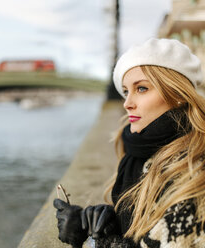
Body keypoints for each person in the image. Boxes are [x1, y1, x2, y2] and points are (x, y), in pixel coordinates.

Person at [53, 38, 205, 247]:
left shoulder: (192, 170)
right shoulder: (141, 150)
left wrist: (91, 239)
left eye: (141, 89)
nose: (127, 103)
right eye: (126, 91)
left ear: (177, 94)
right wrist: (109, 223)